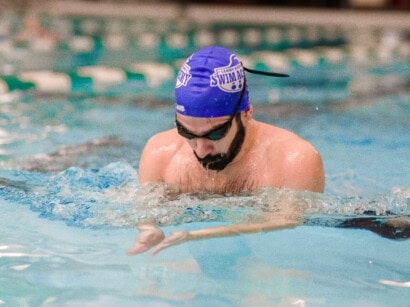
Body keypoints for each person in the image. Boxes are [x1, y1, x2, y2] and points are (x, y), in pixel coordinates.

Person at [128, 46, 325, 256]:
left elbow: (289, 224)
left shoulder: (293, 160)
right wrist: (148, 228)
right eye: (186, 132)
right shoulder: (160, 154)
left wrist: (200, 234)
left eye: (215, 133)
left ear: (247, 113)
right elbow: (145, 211)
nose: (201, 151)